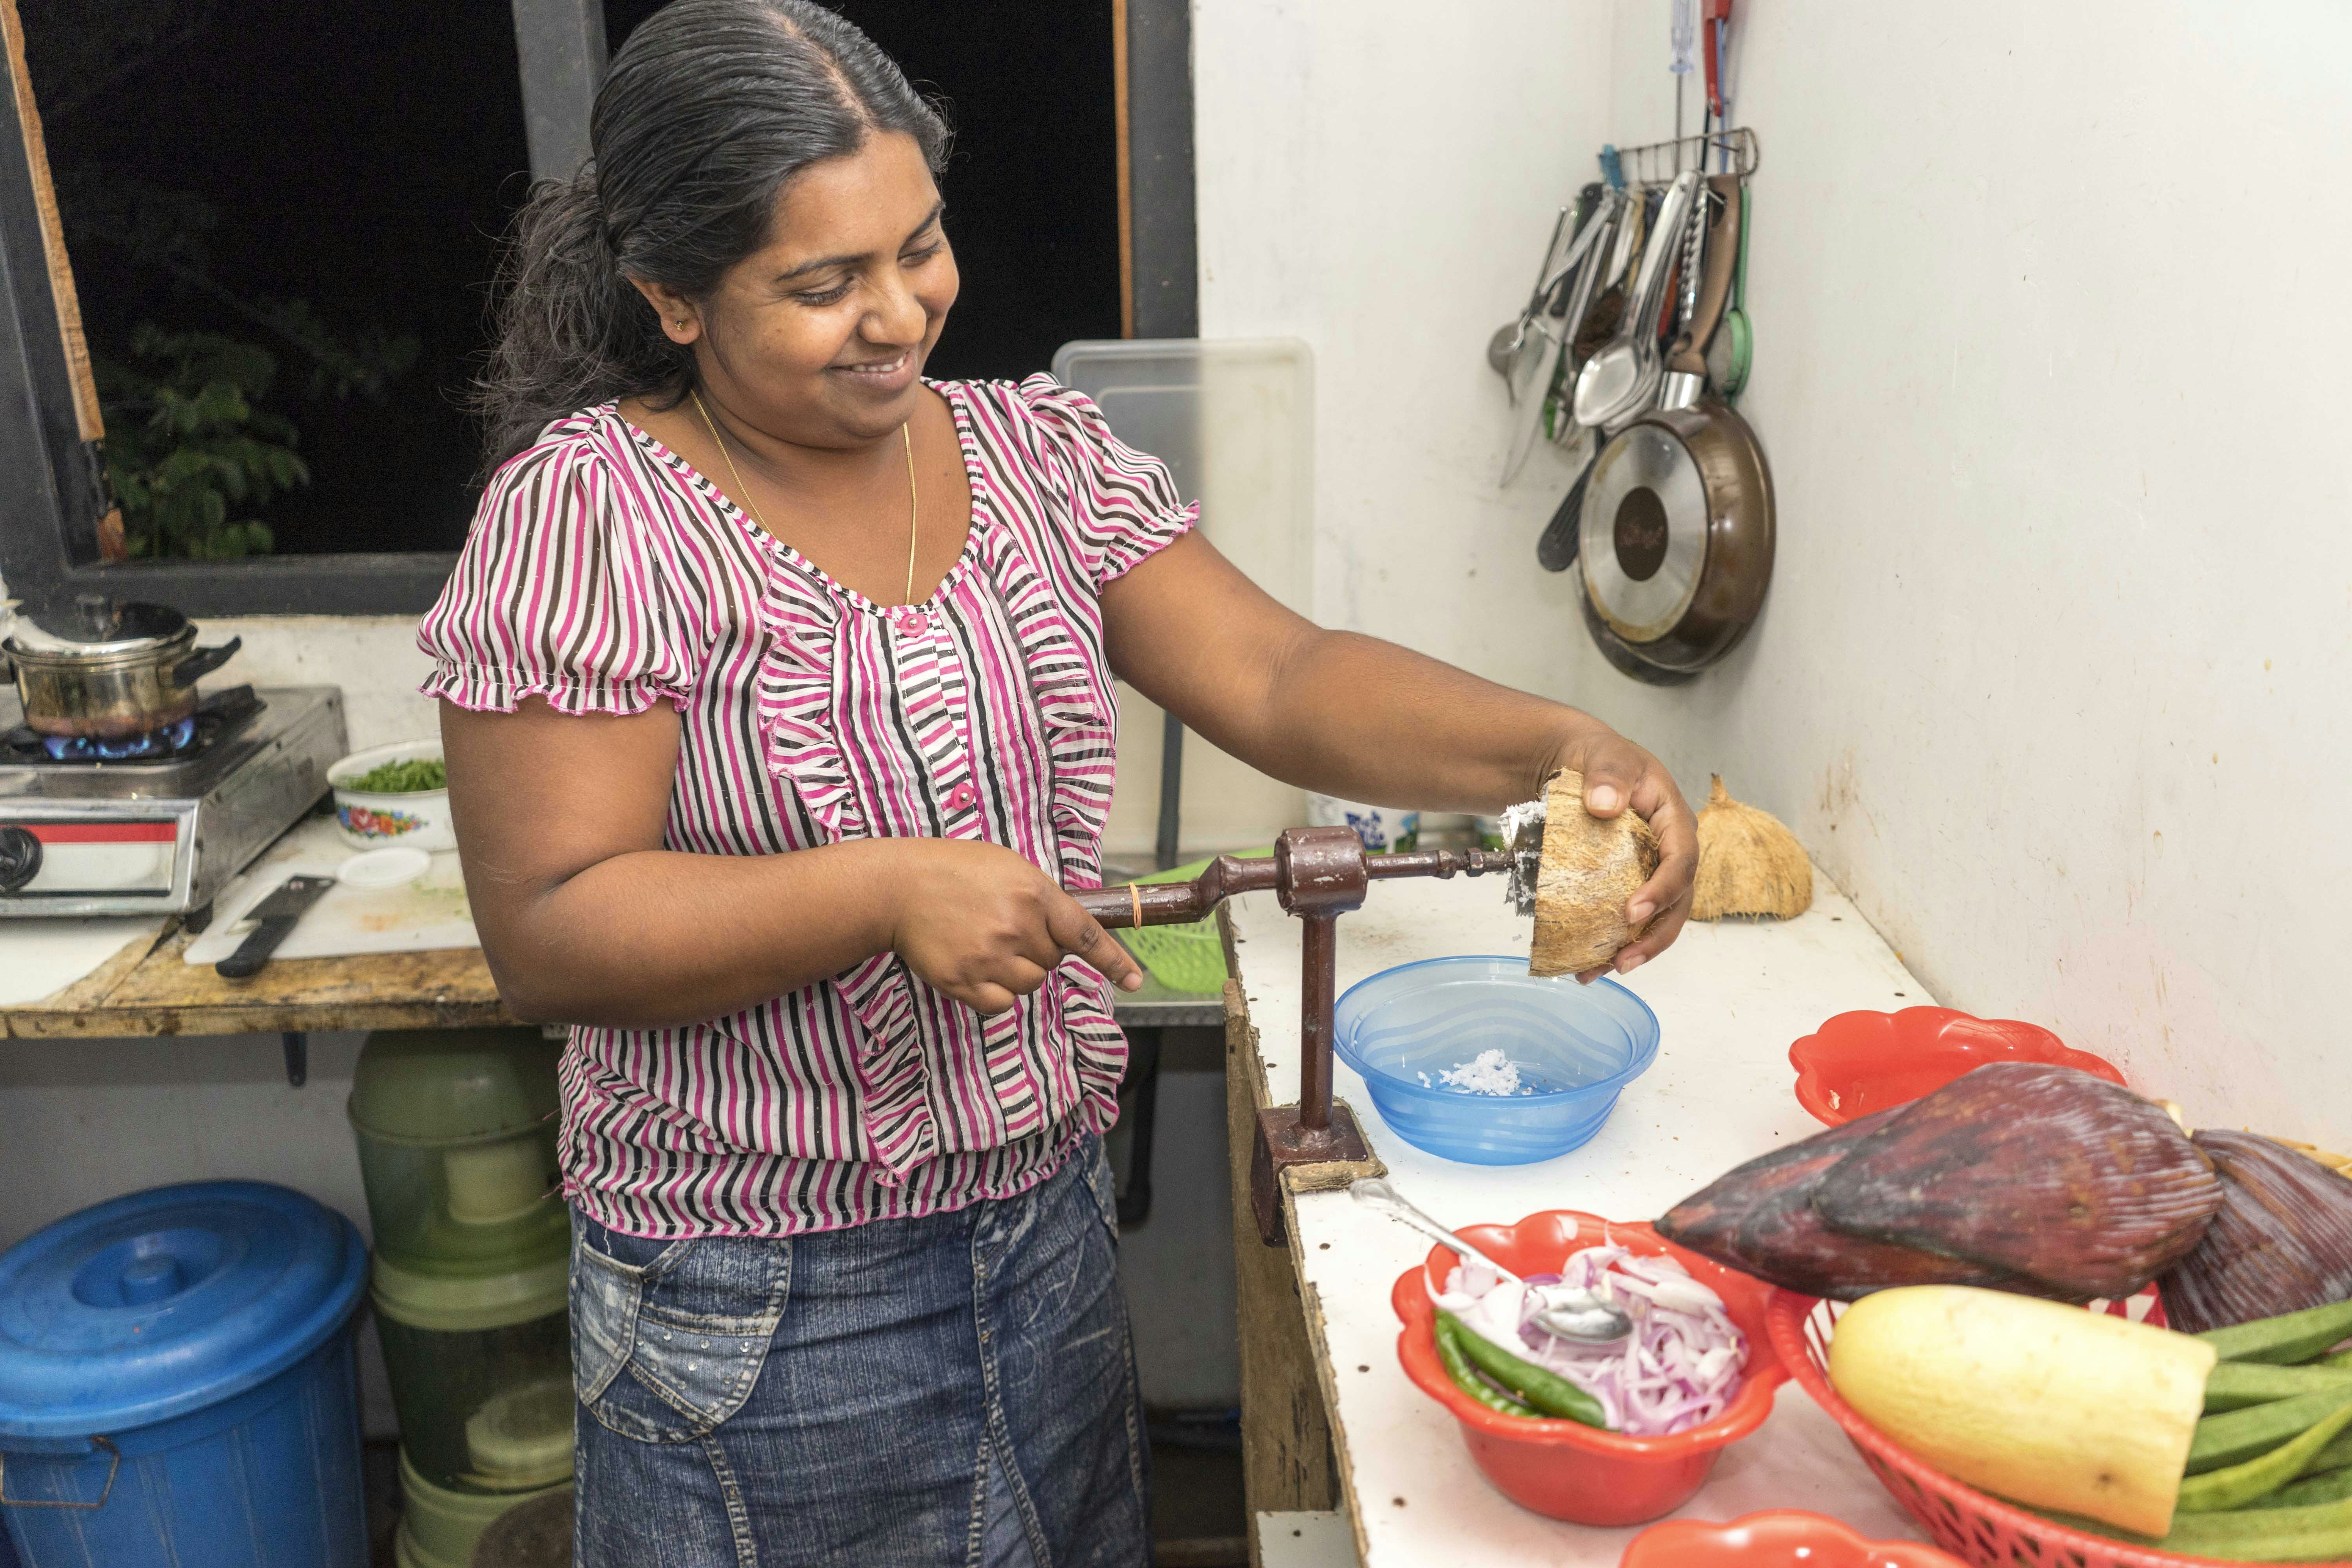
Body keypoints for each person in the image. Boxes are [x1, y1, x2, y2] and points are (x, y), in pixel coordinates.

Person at [420, 2, 1696, 1562]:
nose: (900, 313)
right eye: (824, 284)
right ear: (673, 299)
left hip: (1049, 1242)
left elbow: (1281, 679)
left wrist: (1559, 742)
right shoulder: (594, 518)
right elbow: (550, 926)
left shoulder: (1038, 454)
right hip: (762, 1309)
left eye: (920, 246)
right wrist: (885, 890)